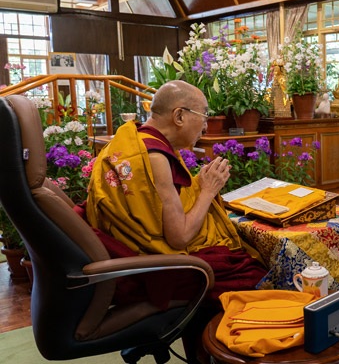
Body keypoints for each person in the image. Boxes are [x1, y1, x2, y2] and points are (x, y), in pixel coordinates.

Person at [85, 80, 268, 355]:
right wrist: (207, 190)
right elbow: (179, 236)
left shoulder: (131, 140)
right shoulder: (154, 157)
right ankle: (221, 355)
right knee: (255, 273)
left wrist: (197, 186)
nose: (206, 126)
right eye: (204, 116)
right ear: (180, 116)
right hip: (154, 269)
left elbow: (158, 205)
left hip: (129, 257)